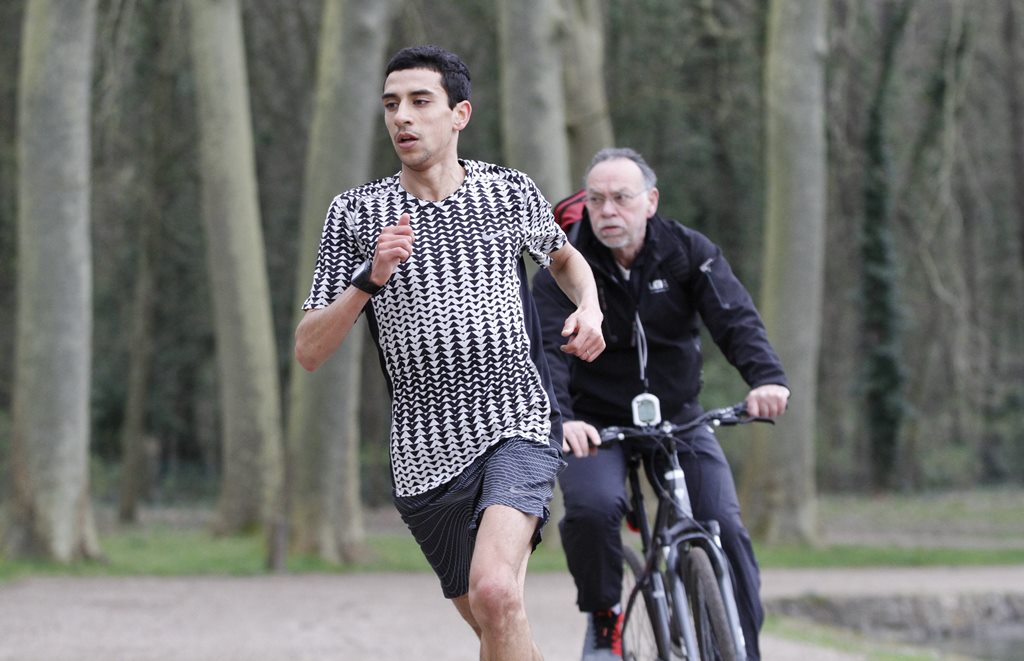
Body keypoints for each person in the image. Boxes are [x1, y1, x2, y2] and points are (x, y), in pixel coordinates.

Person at [294, 45, 605, 660]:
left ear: (459, 113)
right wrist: (368, 278)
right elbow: (309, 349)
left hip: (516, 421)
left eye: (419, 102)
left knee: (495, 592)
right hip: (422, 456)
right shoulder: (356, 213)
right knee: (498, 621)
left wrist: (590, 307)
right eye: (390, 105)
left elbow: (565, 259)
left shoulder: (509, 192)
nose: (401, 118)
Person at [531, 147, 790, 661]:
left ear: (650, 201)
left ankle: (744, 646)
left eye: (621, 199)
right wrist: (563, 421)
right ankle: (605, 615)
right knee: (591, 510)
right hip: (595, 423)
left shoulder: (688, 251)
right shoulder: (562, 268)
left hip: (678, 417)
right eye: (597, 200)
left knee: (724, 523)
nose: (607, 211)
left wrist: (766, 380)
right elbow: (546, 354)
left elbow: (734, 318)